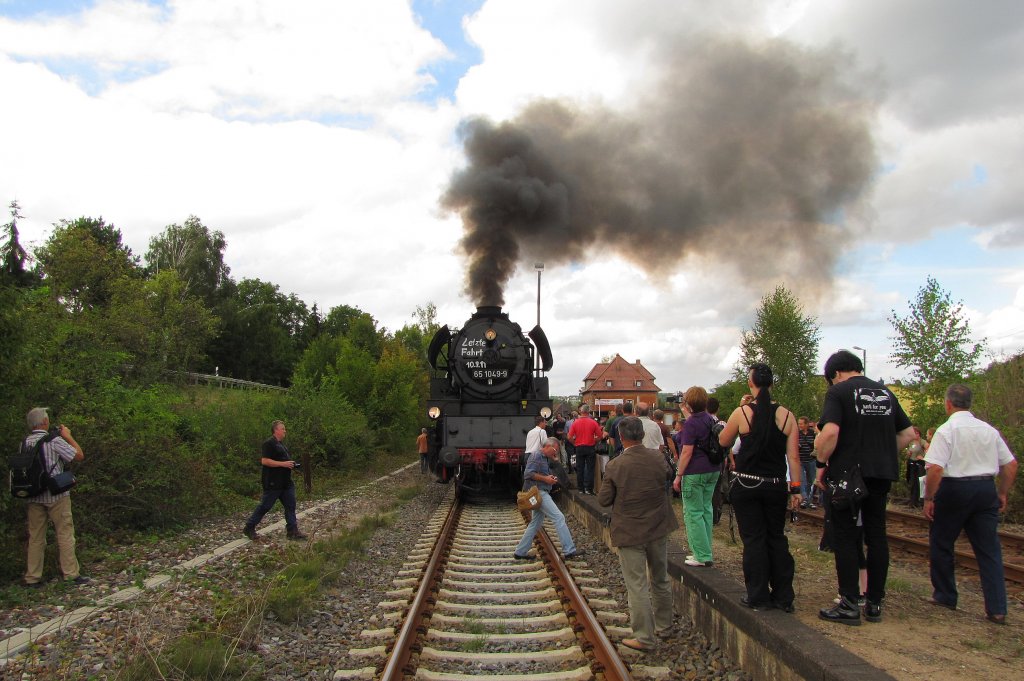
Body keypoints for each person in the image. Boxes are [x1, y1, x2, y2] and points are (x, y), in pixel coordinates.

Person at [815, 350, 915, 625]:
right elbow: (907, 434)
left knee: (846, 536)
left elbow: (831, 432)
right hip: (880, 473)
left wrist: (821, 462)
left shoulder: (839, 392)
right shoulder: (884, 392)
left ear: (835, 374)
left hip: (848, 474)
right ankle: (874, 604)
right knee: (877, 535)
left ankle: (849, 603)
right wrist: (881, 452)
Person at [923, 384, 1018, 625]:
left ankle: (945, 595)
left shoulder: (947, 431)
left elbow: (935, 468)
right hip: (986, 489)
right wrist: (1002, 492)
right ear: (970, 404)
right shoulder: (988, 430)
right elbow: (1010, 465)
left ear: (948, 404)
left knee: (942, 542)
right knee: (989, 550)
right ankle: (997, 609)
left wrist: (930, 498)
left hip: (955, 489)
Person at [719, 365, 801, 612]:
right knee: (776, 538)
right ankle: (783, 596)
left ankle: (757, 595)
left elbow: (723, 441)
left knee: (754, 539)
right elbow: (794, 458)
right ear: (772, 383)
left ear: (750, 383)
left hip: (747, 483)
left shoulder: (742, 413)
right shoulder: (787, 416)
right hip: (775, 485)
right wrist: (796, 489)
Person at [598, 416, 678, 651]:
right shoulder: (658, 458)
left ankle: (643, 637)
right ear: (642, 435)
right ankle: (665, 626)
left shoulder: (615, 465)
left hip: (630, 530)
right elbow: (668, 477)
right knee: (660, 578)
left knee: (637, 584)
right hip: (658, 526)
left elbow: (604, 500)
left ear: (621, 438)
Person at [21, 407, 88, 587]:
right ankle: (71, 574)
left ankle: (32, 577)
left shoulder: (25, 442)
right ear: (44, 422)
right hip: (56, 493)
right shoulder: (53, 440)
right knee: (65, 533)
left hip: (34, 495)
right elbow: (78, 455)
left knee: (35, 537)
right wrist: (68, 436)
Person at [671, 387, 720, 567]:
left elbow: (687, 452)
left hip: (695, 472)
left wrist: (678, 475)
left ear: (689, 403)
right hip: (712, 469)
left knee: (693, 513)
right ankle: (706, 551)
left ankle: (701, 554)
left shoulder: (691, 424)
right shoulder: (710, 419)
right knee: (706, 510)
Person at [515, 437, 581, 560]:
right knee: (558, 517)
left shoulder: (544, 457)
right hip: (539, 492)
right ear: (547, 446)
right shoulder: (536, 456)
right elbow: (528, 474)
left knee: (536, 523)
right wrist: (546, 479)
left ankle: (520, 551)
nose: (555, 452)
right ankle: (569, 550)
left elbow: (543, 472)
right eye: (554, 449)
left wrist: (549, 477)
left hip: (540, 491)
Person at [243, 420, 308, 541]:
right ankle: (249, 527)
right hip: (273, 482)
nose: (285, 431)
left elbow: (283, 461)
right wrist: (283, 464)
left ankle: (292, 531)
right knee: (265, 506)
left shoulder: (282, 444)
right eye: (282, 429)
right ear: (276, 430)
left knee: (290, 505)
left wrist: (291, 464)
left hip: (285, 482)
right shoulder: (269, 443)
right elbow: (265, 461)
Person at [567, 404, 603, 495]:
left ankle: (580, 488)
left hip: (579, 447)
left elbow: (569, 436)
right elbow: (600, 436)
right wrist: (594, 441)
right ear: (588, 412)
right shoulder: (593, 422)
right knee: (590, 468)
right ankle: (589, 489)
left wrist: (574, 443)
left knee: (580, 468)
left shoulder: (576, 422)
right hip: (590, 447)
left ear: (581, 412)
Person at [904, 426, 927, 507]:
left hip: (919, 464)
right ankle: (912, 501)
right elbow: (909, 451)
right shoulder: (912, 442)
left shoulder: (922, 442)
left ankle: (919, 502)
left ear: (919, 434)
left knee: (918, 482)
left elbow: (929, 448)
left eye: (916, 433)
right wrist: (908, 454)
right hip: (911, 463)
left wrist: (923, 458)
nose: (915, 435)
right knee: (911, 481)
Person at [797, 417, 817, 509]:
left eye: (801, 423)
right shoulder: (797, 434)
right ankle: (805, 498)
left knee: (811, 481)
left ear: (806, 424)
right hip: (800, 460)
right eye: (799, 423)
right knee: (802, 480)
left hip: (811, 460)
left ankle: (808, 500)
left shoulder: (813, 433)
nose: (799, 425)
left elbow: (816, 445)